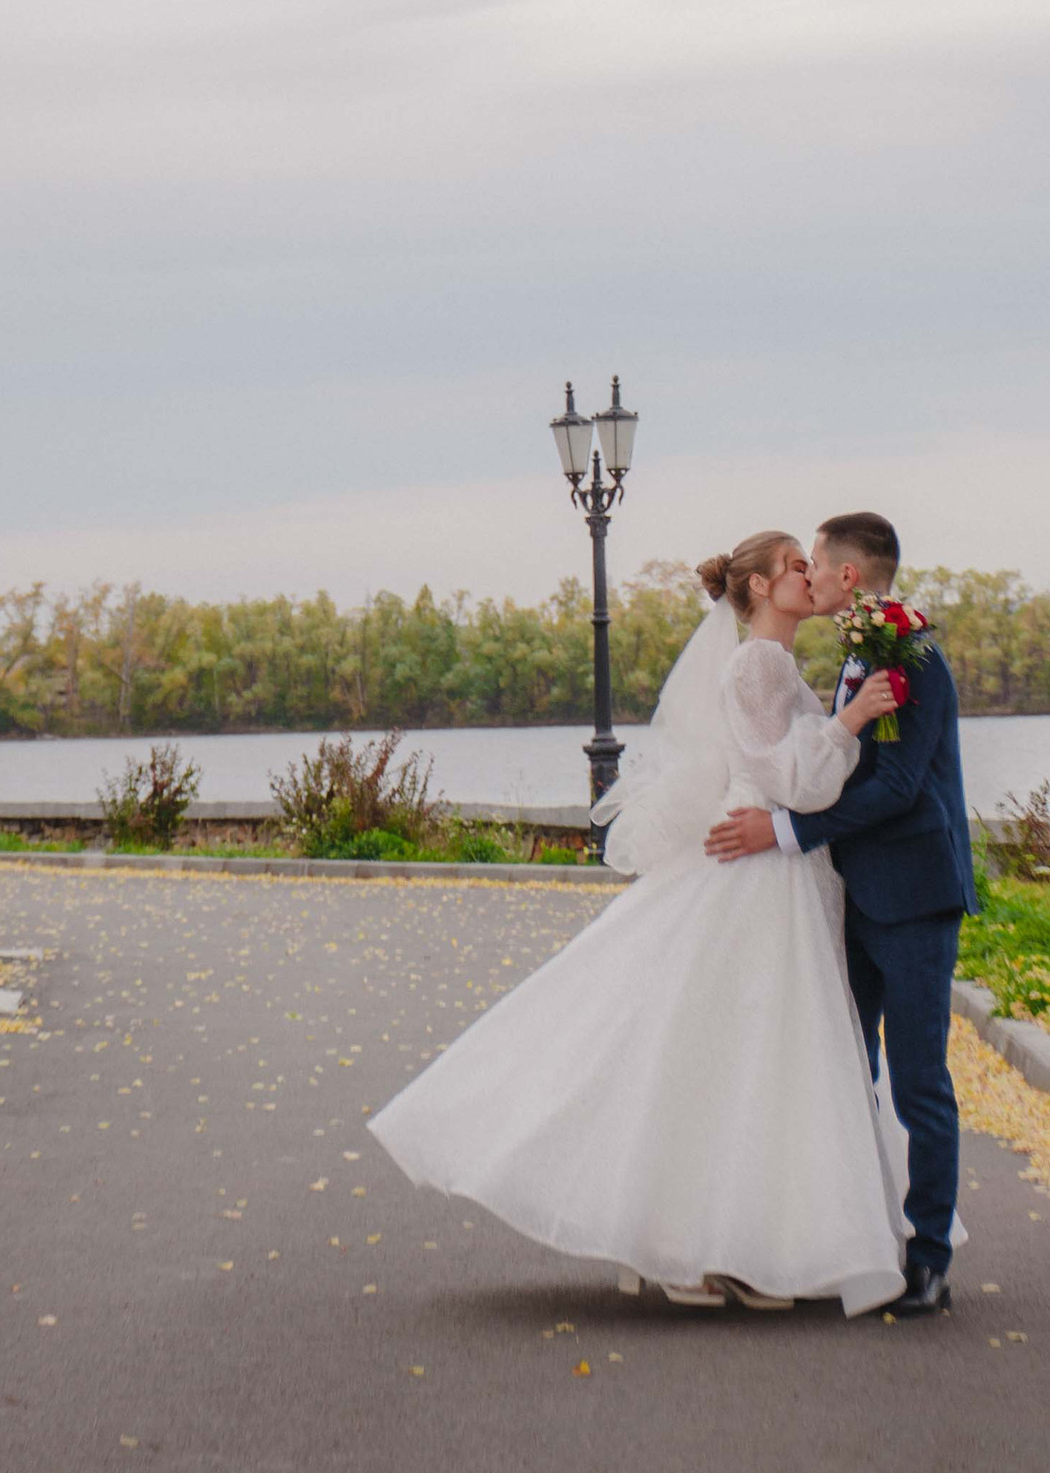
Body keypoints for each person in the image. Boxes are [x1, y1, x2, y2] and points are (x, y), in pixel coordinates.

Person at [367, 529, 913, 1311]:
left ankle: (735, 1246)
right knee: (742, 1053)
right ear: (758, 587)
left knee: (746, 1062)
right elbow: (790, 778)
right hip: (755, 873)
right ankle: (684, 1247)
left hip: (778, 870)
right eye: (794, 564)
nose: (808, 573)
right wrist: (851, 720)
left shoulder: (779, 664)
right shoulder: (757, 662)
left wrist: (841, 727)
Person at [705, 511, 977, 1319]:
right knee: (838, 1069)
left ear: (847, 576)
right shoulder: (860, 653)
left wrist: (786, 831)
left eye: (816, 561)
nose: (811, 573)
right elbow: (837, 766)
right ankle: (833, 1239)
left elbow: (895, 788)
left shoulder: (915, 655)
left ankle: (928, 1259)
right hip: (852, 893)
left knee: (919, 1084)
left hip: (918, 897)